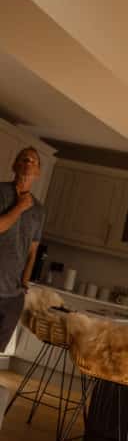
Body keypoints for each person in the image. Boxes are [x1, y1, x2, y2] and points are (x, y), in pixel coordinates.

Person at [0, 147, 45, 347]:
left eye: (33, 161)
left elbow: (32, 252)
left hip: (13, 295)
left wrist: (24, 285)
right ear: (15, 165)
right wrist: (19, 206)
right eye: (24, 159)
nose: (28, 163)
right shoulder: (1, 192)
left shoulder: (39, 210)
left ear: (38, 172)